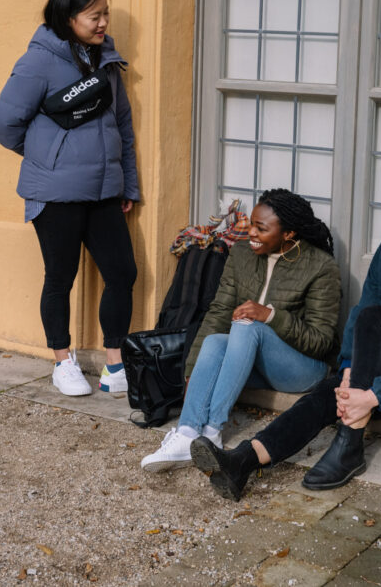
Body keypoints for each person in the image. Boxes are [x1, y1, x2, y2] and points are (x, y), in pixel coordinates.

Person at [190, 169, 381, 498]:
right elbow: (360, 316)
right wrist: (351, 372)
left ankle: (349, 448)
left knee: (373, 324)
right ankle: (244, 461)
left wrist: (371, 397)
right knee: (331, 388)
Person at [0, 0, 140, 397]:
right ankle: (63, 361)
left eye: (106, 13)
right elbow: (2, 124)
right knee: (61, 276)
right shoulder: (39, 61)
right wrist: (47, 155)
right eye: (95, 15)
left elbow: (122, 124)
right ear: (68, 17)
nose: (103, 22)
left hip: (105, 189)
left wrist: (128, 183)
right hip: (55, 192)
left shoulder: (105, 59)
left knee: (122, 272)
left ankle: (114, 365)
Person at [141, 189, 341, 472]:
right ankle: (187, 434)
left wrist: (270, 315)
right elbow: (219, 312)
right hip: (251, 362)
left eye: (262, 228)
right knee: (214, 340)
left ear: (289, 234)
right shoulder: (242, 253)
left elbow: (320, 342)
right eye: (251, 224)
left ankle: (211, 431)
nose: (252, 234)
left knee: (248, 326)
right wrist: (192, 370)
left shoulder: (321, 267)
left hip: (302, 368)